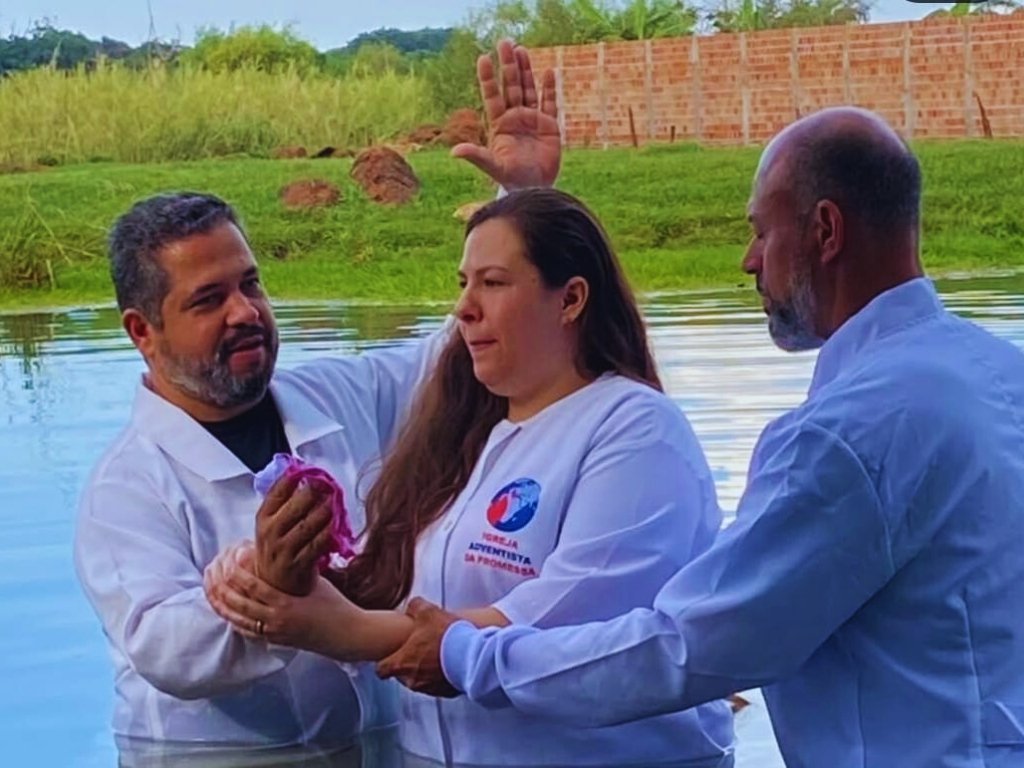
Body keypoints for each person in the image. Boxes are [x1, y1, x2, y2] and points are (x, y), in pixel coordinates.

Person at [374, 107, 1024, 768]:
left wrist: (467, 655)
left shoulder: (847, 433)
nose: (749, 261)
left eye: (761, 232)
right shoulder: (1002, 373)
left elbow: (692, 648)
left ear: (826, 231)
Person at [72, 40, 564, 762]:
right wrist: (268, 588)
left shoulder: (338, 397)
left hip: (384, 744)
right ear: (142, 332)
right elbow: (164, 650)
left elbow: (462, 353)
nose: (244, 312)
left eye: (251, 284)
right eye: (208, 300)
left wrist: (521, 202)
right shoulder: (126, 488)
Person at [204, 187, 736, 767]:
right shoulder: (463, 438)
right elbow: (387, 586)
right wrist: (271, 569)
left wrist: (345, 632)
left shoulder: (636, 428)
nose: (464, 308)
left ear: (571, 299)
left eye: (493, 283)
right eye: (463, 283)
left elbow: (562, 625)